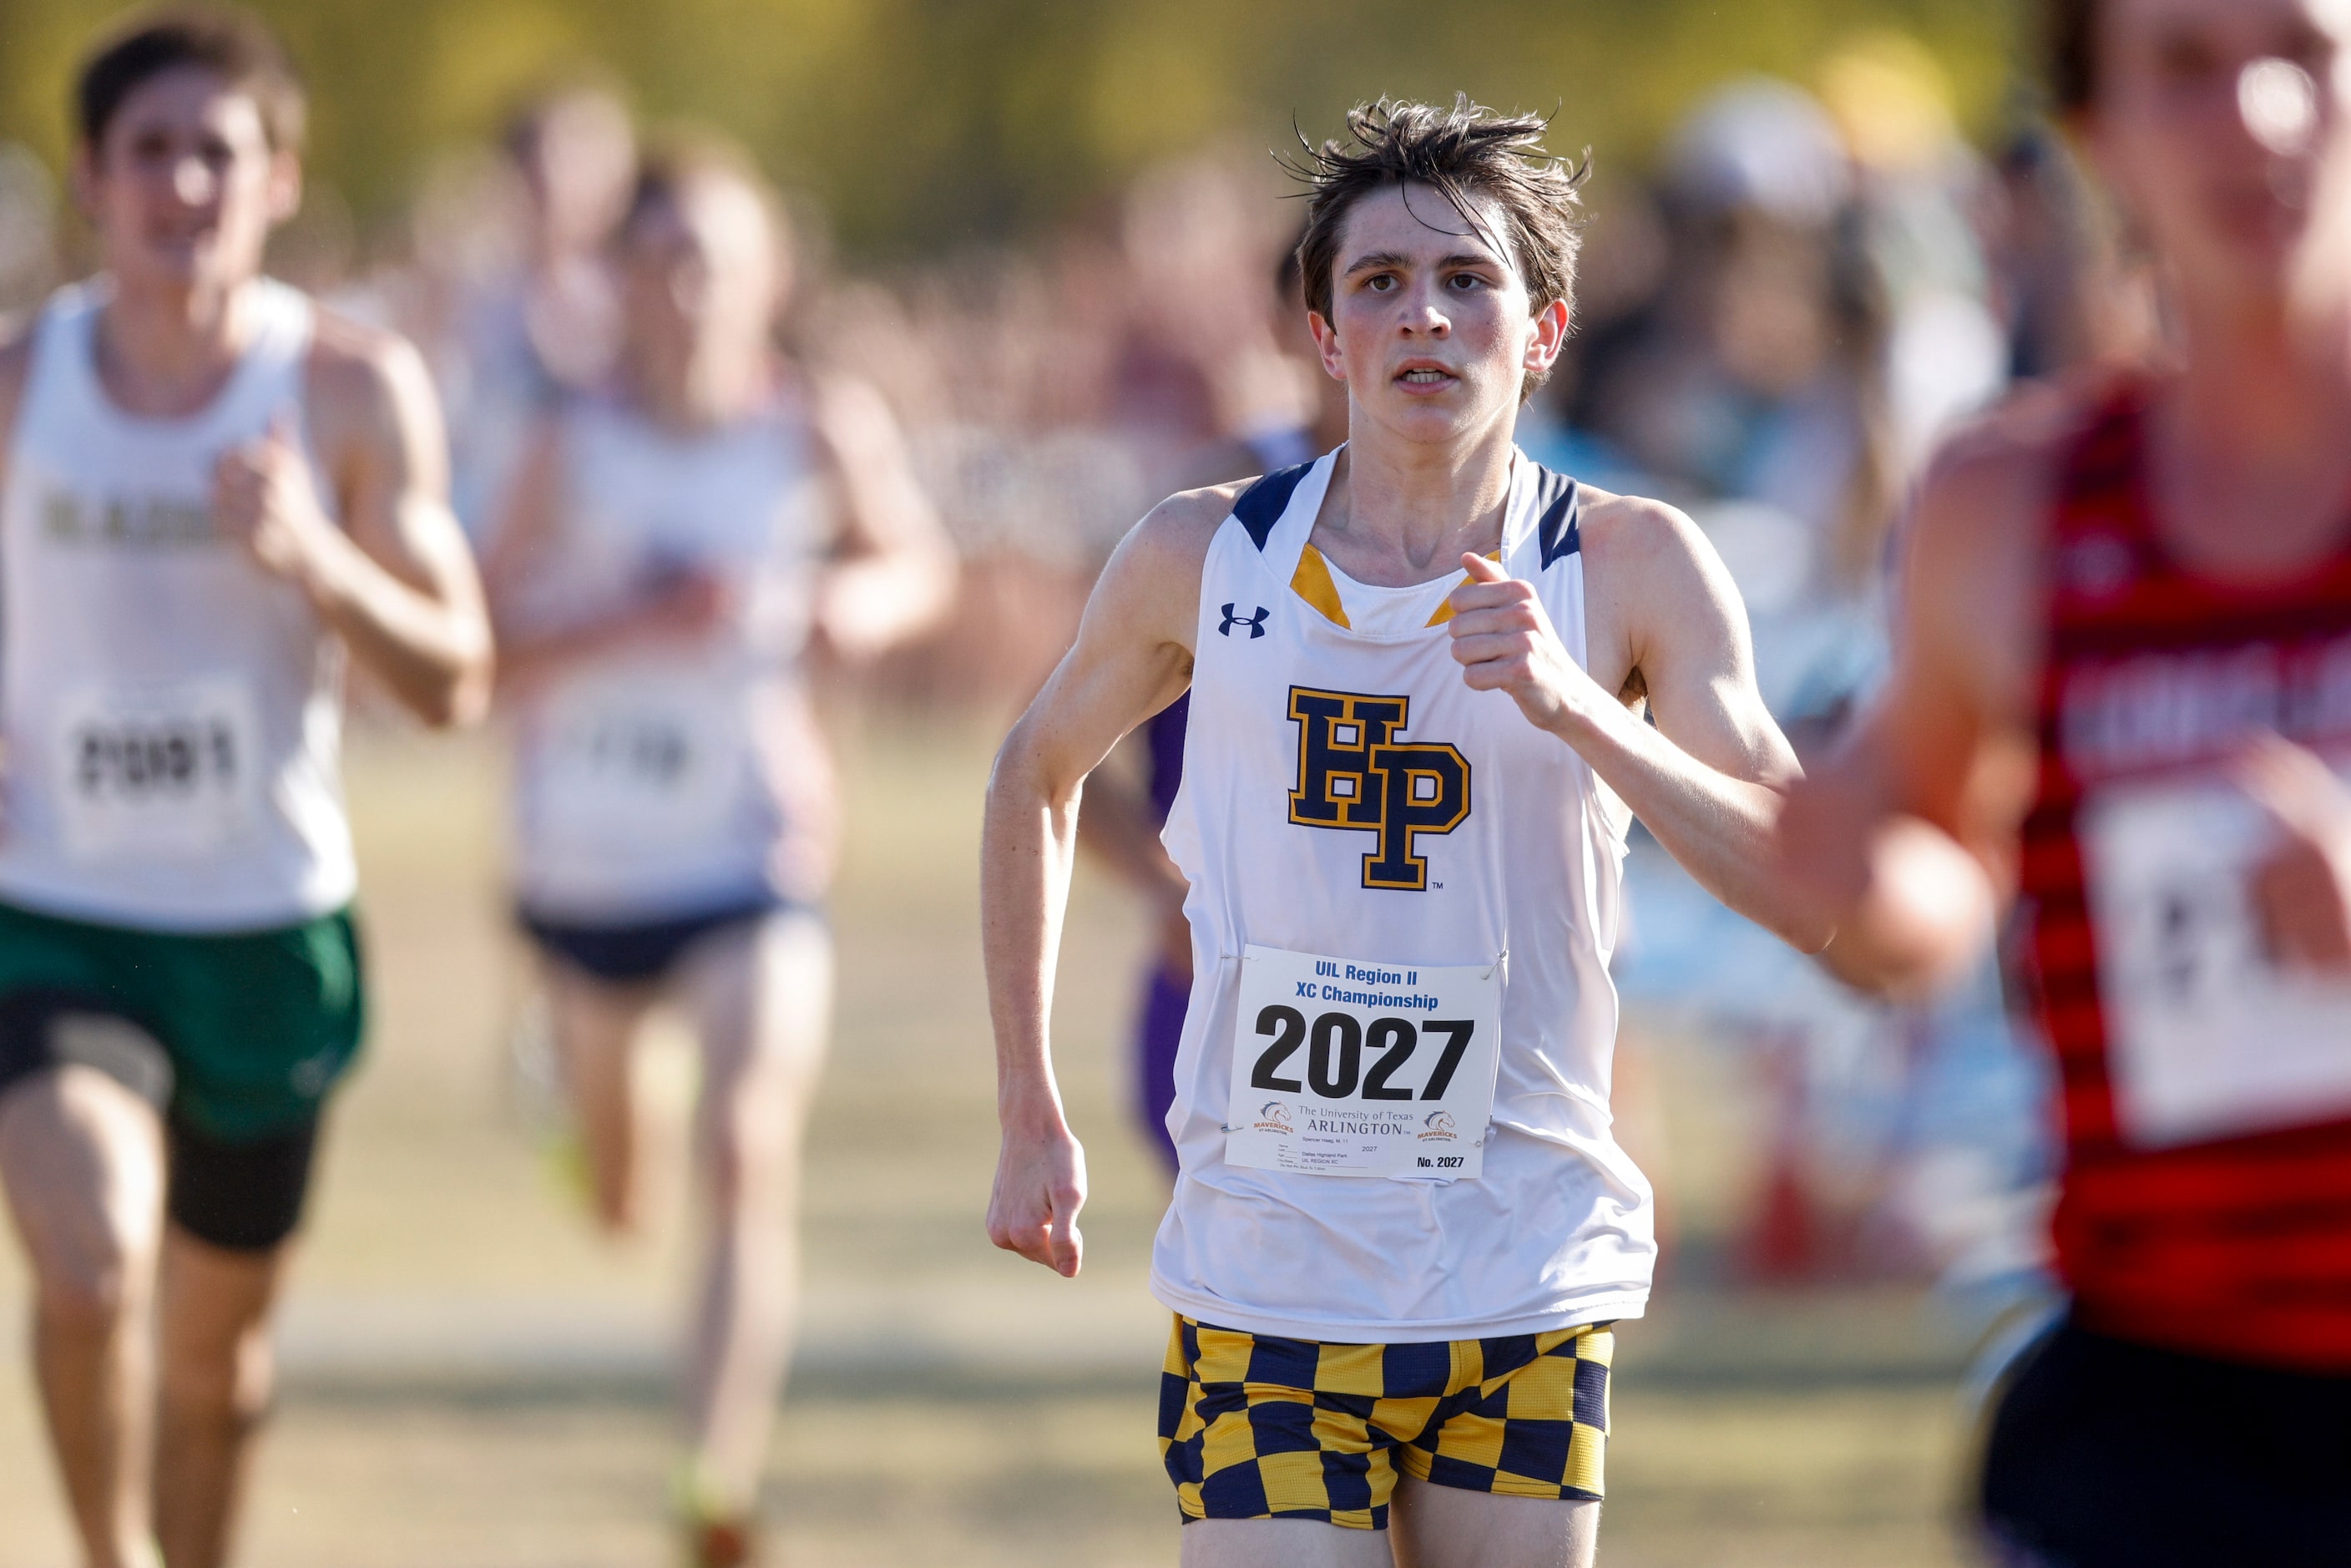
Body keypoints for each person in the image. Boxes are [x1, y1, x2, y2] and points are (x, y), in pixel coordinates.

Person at [983, 97, 1824, 1568]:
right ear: (1323, 336)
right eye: (1377, 283)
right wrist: (1026, 1106)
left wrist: (1581, 711)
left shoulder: (1628, 566)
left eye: (1467, 280)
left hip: (1524, 1268)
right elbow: (1033, 776)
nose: (1422, 317)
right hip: (1267, 1269)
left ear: (1546, 328)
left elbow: (1807, 872)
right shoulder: (1207, 553)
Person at [1782, 0, 2351, 1561]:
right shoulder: (2010, 505)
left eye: (2302, 53)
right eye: (2182, 65)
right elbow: (1938, 881)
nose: (2261, 118)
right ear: (2093, 134)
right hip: (2151, 1419)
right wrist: (1826, 854)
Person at [0, 10, 493, 1568]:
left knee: (218, 1373)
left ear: (275, 180)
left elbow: (454, 677)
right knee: (89, 1268)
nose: (183, 183)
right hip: (56, 910)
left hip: (267, 933)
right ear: (92, 178)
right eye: (150, 149)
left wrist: (315, 557)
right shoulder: (19, 388)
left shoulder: (347, 389)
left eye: (217, 151)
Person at [483, 135, 953, 1568]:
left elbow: (916, 566)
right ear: (619, 278)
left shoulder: (816, 428)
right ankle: (578, 1107)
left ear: (770, 278)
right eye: (667, 260)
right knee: (629, 1202)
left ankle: (717, 1477)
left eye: (722, 262)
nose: (693, 291)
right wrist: (630, 620)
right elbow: (479, 649)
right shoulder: (567, 444)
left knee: (746, 1149)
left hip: (754, 856)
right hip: (586, 868)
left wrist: (855, 609)